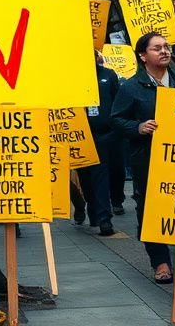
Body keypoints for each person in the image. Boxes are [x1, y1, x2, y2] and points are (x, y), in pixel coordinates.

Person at [110, 32, 175, 283]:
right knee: (151, 209)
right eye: (157, 48)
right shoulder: (131, 87)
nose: (165, 51)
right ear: (143, 56)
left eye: (166, 47)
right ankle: (161, 262)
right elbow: (116, 119)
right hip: (148, 159)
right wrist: (138, 127)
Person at [77, 53, 120, 236]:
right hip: (80, 135)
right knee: (85, 178)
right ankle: (93, 209)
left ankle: (104, 219)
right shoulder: (73, 77)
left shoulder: (108, 75)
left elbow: (118, 101)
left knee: (100, 176)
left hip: (104, 134)